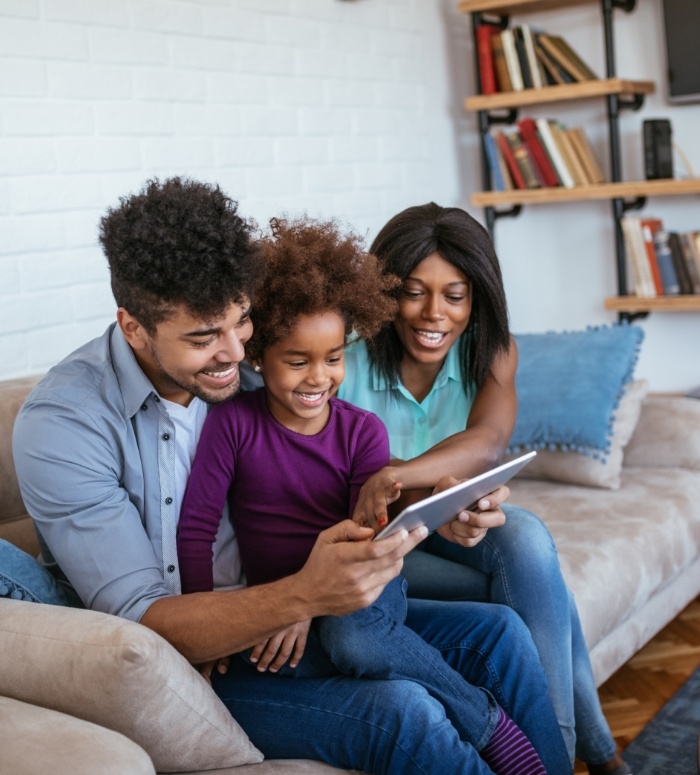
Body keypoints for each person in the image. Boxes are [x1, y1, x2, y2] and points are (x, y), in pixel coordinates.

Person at [12, 178, 571, 775]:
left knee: (503, 637)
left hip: (299, 613)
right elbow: (145, 621)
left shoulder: (252, 374)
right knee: (403, 710)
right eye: (204, 337)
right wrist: (302, 594)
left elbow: (342, 485)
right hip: (205, 658)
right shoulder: (65, 425)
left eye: (242, 321)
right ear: (132, 327)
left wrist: (445, 504)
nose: (233, 353)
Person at [176, 216, 560, 775]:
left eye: (333, 359)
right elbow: (195, 530)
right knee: (330, 641)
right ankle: (483, 717)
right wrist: (217, 624)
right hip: (285, 594)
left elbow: (369, 530)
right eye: (296, 361)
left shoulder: (362, 431)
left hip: (366, 585)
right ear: (258, 357)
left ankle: (482, 722)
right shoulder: (232, 424)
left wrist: (314, 597)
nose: (318, 378)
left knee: (355, 634)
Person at [335, 201, 630, 775]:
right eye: (413, 291)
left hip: (443, 519)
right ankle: (592, 756)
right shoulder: (343, 355)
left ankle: (563, 757)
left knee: (526, 542)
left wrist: (398, 474)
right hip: (379, 541)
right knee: (544, 584)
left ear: (479, 296)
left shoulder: (492, 349)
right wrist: (428, 488)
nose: (433, 313)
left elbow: (488, 443)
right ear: (385, 292)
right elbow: (338, 478)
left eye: (455, 294)